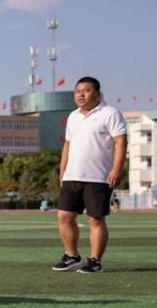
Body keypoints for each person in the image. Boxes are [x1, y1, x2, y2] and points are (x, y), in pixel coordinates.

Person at [53, 76, 127, 274]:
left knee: (95, 219)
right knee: (64, 217)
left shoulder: (110, 113)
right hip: (72, 176)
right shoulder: (73, 116)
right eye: (77, 91)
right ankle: (72, 256)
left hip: (98, 176)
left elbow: (121, 142)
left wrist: (116, 169)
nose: (80, 95)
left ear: (97, 93)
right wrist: (62, 170)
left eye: (85, 91)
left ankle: (95, 261)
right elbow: (67, 145)